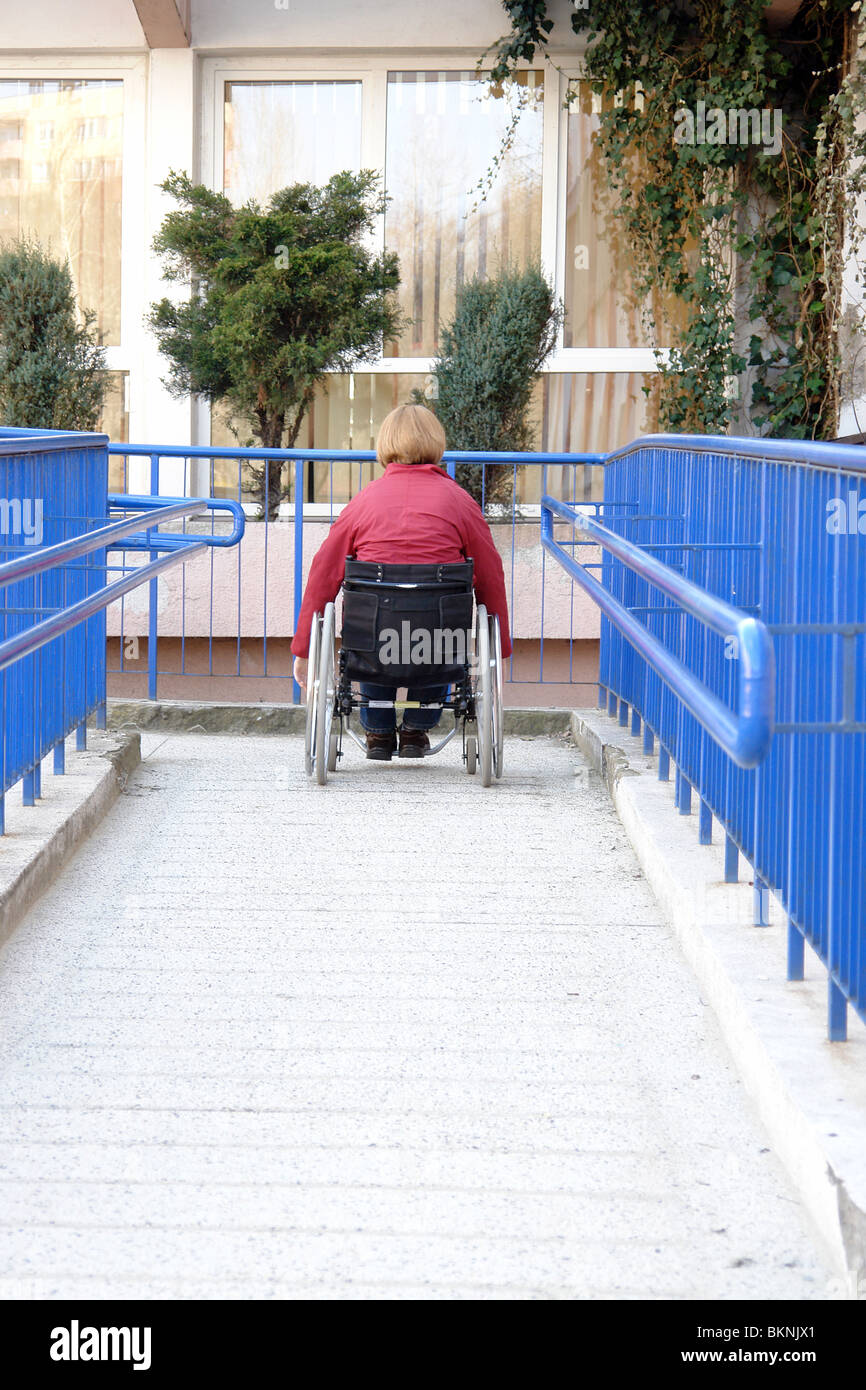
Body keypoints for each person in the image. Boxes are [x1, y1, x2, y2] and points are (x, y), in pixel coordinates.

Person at [291, 404, 512, 760]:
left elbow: (323, 574)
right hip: (438, 644)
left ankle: (377, 733)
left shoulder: (362, 503)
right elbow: (490, 575)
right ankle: (415, 730)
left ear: (385, 445)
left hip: (375, 641)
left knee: (372, 623)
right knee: (443, 621)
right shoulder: (460, 502)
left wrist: (304, 649)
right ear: (436, 443)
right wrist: (499, 652)